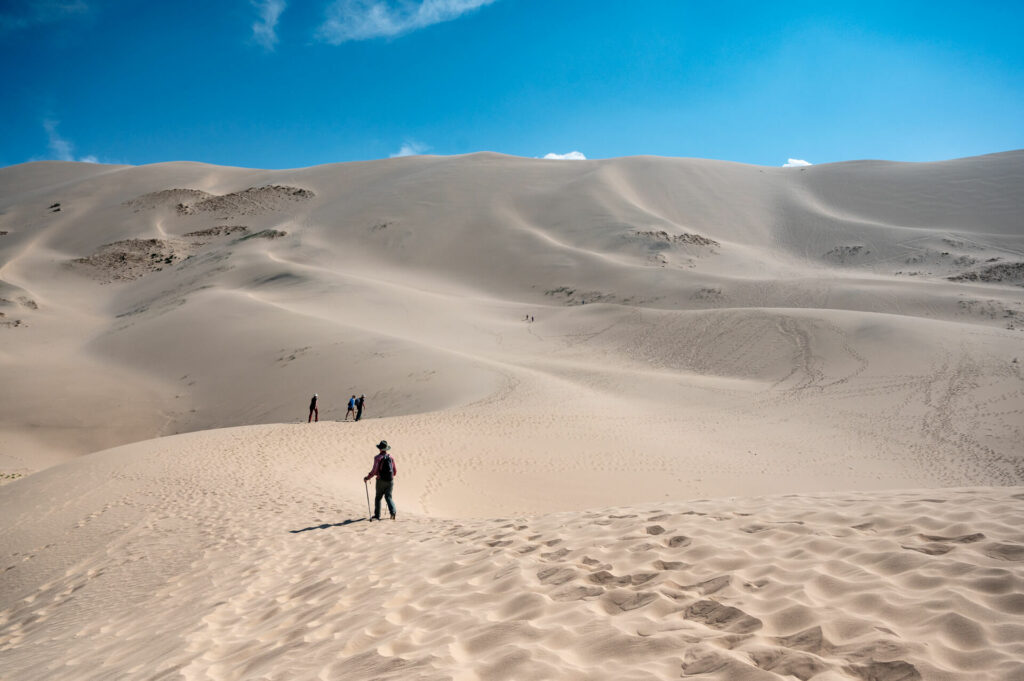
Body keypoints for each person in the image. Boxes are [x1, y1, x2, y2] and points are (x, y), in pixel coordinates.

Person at [364, 440, 397, 520]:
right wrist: (390, 477)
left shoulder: (377, 458)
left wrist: (367, 477)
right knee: (388, 497)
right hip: (390, 481)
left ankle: (377, 515)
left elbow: (374, 470)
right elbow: (395, 471)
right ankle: (393, 512)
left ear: (379, 449)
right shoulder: (391, 457)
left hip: (380, 481)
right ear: (386, 449)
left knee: (378, 497)